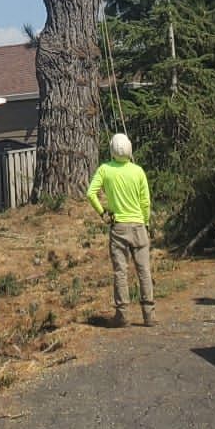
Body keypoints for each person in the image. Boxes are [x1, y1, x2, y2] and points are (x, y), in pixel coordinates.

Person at [86, 132, 154, 327]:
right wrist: (146, 223)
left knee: (120, 271)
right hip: (139, 226)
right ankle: (149, 314)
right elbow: (145, 202)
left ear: (112, 150)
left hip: (119, 228)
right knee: (144, 270)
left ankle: (122, 314)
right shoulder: (138, 171)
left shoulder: (105, 170)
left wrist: (103, 213)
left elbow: (91, 193)